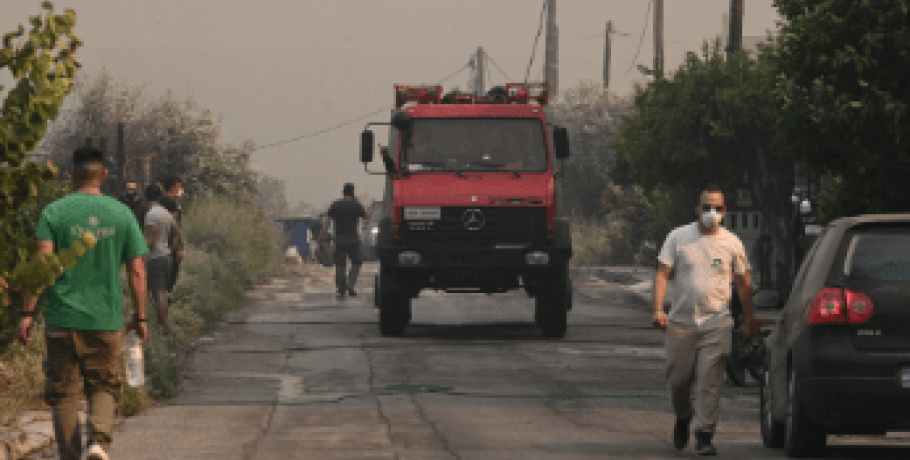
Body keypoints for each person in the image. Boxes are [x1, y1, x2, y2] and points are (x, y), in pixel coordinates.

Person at [18, 146, 149, 460]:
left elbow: (42, 265)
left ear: (72, 175)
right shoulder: (122, 214)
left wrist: (27, 312)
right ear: (103, 176)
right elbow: (136, 270)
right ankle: (99, 443)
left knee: (64, 394)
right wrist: (140, 317)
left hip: (62, 319)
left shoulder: (54, 212)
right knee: (104, 385)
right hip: (106, 321)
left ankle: (71, 455)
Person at [652, 183, 758, 456]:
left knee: (709, 381)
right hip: (681, 324)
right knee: (678, 381)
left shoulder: (732, 243)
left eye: (718, 208)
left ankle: (704, 435)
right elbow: (662, 274)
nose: (712, 212)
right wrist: (658, 310)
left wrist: (749, 320)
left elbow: (744, 283)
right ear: (697, 209)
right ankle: (683, 417)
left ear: (725, 211)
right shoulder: (678, 238)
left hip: (717, 323)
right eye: (707, 207)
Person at [143, 183, 179, 336]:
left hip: (155, 257)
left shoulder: (151, 214)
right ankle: (163, 324)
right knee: (163, 290)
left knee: (158, 292)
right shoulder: (166, 213)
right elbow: (177, 233)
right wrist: (171, 249)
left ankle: (162, 326)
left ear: (146, 197)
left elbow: (151, 237)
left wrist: (142, 253)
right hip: (166, 257)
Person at [319, 183, 366, 299]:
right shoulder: (356, 205)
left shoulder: (335, 204)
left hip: (339, 240)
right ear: (353, 192)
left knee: (340, 264)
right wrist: (358, 202)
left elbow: (327, 222)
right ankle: (350, 284)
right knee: (356, 262)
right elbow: (366, 217)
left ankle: (341, 288)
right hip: (353, 240)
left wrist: (322, 235)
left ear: (343, 192)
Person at [157, 176, 184, 294]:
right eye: (179, 186)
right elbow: (175, 227)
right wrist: (179, 247)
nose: (180, 189)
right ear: (174, 186)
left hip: (157, 245)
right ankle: (165, 305)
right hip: (170, 246)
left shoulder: (157, 202)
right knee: (169, 283)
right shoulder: (172, 204)